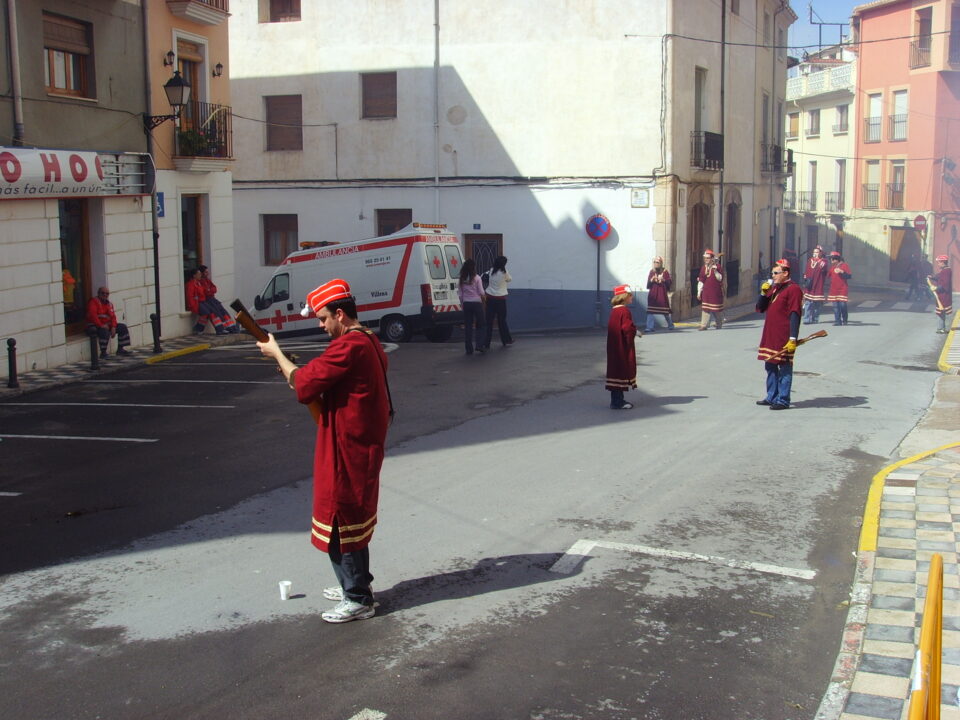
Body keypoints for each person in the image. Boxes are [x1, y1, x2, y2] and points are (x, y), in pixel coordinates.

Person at [256, 278, 390, 623]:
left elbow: (304, 383)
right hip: (358, 444)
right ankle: (356, 584)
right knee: (351, 518)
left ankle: (357, 597)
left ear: (341, 315)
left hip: (347, 447)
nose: (321, 325)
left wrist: (278, 354)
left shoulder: (350, 347)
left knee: (338, 520)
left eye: (323, 318)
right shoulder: (368, 339)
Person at [756, 259, 803, 411]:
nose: (773, 276)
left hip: (784, 335)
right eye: (772, 273)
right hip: (770, 334)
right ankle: (771, 396)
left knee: (784, 367)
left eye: (776, 273)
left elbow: (795, 313)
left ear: (785, 273)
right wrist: (763, 293)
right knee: (770, 365)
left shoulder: (794, 289)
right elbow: (760, 307)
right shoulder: (775, 288)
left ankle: (783, 400)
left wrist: (793, 338)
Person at [606, 284, 639, 410]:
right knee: (621, 371)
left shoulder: (614, 310)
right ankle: (617, 402)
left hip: (614, 346)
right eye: (630, 296)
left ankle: (616, 399)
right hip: (621, 347)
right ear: (624, 296)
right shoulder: (624, 311)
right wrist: (635, 331)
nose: (632, 298)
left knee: (615, 370)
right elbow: (627, 329)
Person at [86, 286, 131, 358]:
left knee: (122, 327)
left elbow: (113, 317)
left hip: (106, 325)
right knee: (104, 331)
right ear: (98, 293)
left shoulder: (109, 304)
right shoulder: (93, 302)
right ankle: (103, 353)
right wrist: (100, 325)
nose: (105, 295)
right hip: (94, 326)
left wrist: (113, 326)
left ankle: (120, 349)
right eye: (103, 293)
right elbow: (93, 315)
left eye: (107, 294)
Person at [483, 255, 514, 348]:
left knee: (489, 322)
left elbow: (484, 276)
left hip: (490, 298)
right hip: (501, 299)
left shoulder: (491, 270)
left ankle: (486, 343)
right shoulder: (505, 272)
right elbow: (509, 279)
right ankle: (506, 340)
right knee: (502, 321)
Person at [198, 265, 239, 333]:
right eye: (205, 272)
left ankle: (231, 328)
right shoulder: (200, 282)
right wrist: (209, 291)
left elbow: (214, 288)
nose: (207, 273)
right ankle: (220, 329)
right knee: (215, 314)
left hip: (213, 299)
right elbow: (206, 292)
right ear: (202, 273)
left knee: (223, 312)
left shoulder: (207, 280)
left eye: (207, 272)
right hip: (208, 301)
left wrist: (210, 290)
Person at [458, 258, 486, 355]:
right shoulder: (477, 278)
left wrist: (462, 304)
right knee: (481, 324)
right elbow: (481, 292)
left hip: (466, 304)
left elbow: (460, 294)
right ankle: (479, 345)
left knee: (468, 326)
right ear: (474, 267)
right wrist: (484, 297)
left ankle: (468, 349)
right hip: (477, 303)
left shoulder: (462, 278)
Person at [185, 269, 224, 335]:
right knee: (206, 313)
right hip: (198, 303)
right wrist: (192, 306)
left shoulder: (198, 283)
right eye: (199, 274)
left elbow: (204, 292)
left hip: (203, 302)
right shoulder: (191, 284)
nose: (200, 275)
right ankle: (198, 329)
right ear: (194, 275)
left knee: (212, 312)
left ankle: (220, 329)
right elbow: (190, 296)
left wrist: (210, 291)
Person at [645, 256, 675, 332]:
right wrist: (651, 280)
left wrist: (663, 280)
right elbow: (648, 285)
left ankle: (670, 324)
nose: (655, 264)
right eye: (654, 262)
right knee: (650, 311)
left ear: (661, 263)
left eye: (657, 262)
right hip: (653, 294)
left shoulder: (665, 272)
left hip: (661, 293)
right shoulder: (651, 272)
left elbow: (669, 283)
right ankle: (649, 327)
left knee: (665, 311)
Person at [697, 249, 724, 330]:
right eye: (705, 258)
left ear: (712, 258)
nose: (706, 260)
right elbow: (701, 281)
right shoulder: (703, 268)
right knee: (705, 308)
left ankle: (719, 323)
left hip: (715, 292)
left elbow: (720, 278)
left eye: (707, 258)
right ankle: (704, 325)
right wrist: (699, 292)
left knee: (716, 309)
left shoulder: (718, 267)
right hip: (706, 292)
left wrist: (715, 271)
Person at [802, 246, 828, 324]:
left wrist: (821, 262)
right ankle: (806, 319)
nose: (815, 254)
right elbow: (806, 270)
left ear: (820, 253)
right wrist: (805, 278)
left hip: (818, 285)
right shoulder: (810, 260)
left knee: (817, 303)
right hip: (810, 285)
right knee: (808, 303)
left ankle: (815, 318)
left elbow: (824, 270)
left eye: (816, 252)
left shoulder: (823, 262)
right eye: (814, 252)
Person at [928, 254, 953, 333]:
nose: (938, 264)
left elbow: (945, 284)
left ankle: (941, 328)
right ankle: (941, 328)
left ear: (943, 262)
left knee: (942, 312)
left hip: (944, 296)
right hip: (941, 295)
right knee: (941, 312)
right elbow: (939, 277)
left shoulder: (946, 271)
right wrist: (932, 277)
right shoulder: (944, 270)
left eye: (939, 262)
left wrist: (936, 288)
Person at [827, 251, 852, 326]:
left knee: (842, 305)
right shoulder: (832, 267)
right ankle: (837, 321)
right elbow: (827, 275)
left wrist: (842, 271)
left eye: (832, 258)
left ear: (837, 259)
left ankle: (845, 320)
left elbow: (849, 276)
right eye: (830, 259)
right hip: (833, 290)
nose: (831, 260)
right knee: (835, 306)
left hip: (842, 289)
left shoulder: (844, 266)